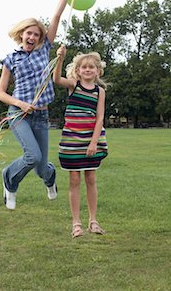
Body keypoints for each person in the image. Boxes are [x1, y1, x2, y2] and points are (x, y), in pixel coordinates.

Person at [0, 0, 80, 210]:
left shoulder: (45, 51)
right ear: (21, 34)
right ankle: (9, 183)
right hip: (18, 114)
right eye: (29, 32)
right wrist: (21, 104)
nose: (32, 36)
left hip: (42, 115)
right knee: (31, 156)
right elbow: (1, 94)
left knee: (42, 167)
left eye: (36, 33)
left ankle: (50, 179)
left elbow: (56, 16)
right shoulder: (11, 59)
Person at [53, 46, 108, 237]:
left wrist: (94, 143)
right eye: (83, 67)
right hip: (71, 140)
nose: (87, 70)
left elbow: (100, 118)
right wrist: (60, 59)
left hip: (90, 139)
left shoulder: (100, 91)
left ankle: (93, 221)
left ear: (97, 71)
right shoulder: (73, 85)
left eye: (91, 67)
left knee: (90, 178)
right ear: (78, 71)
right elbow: (56, 79)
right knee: (74, 180)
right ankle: (76, 223)